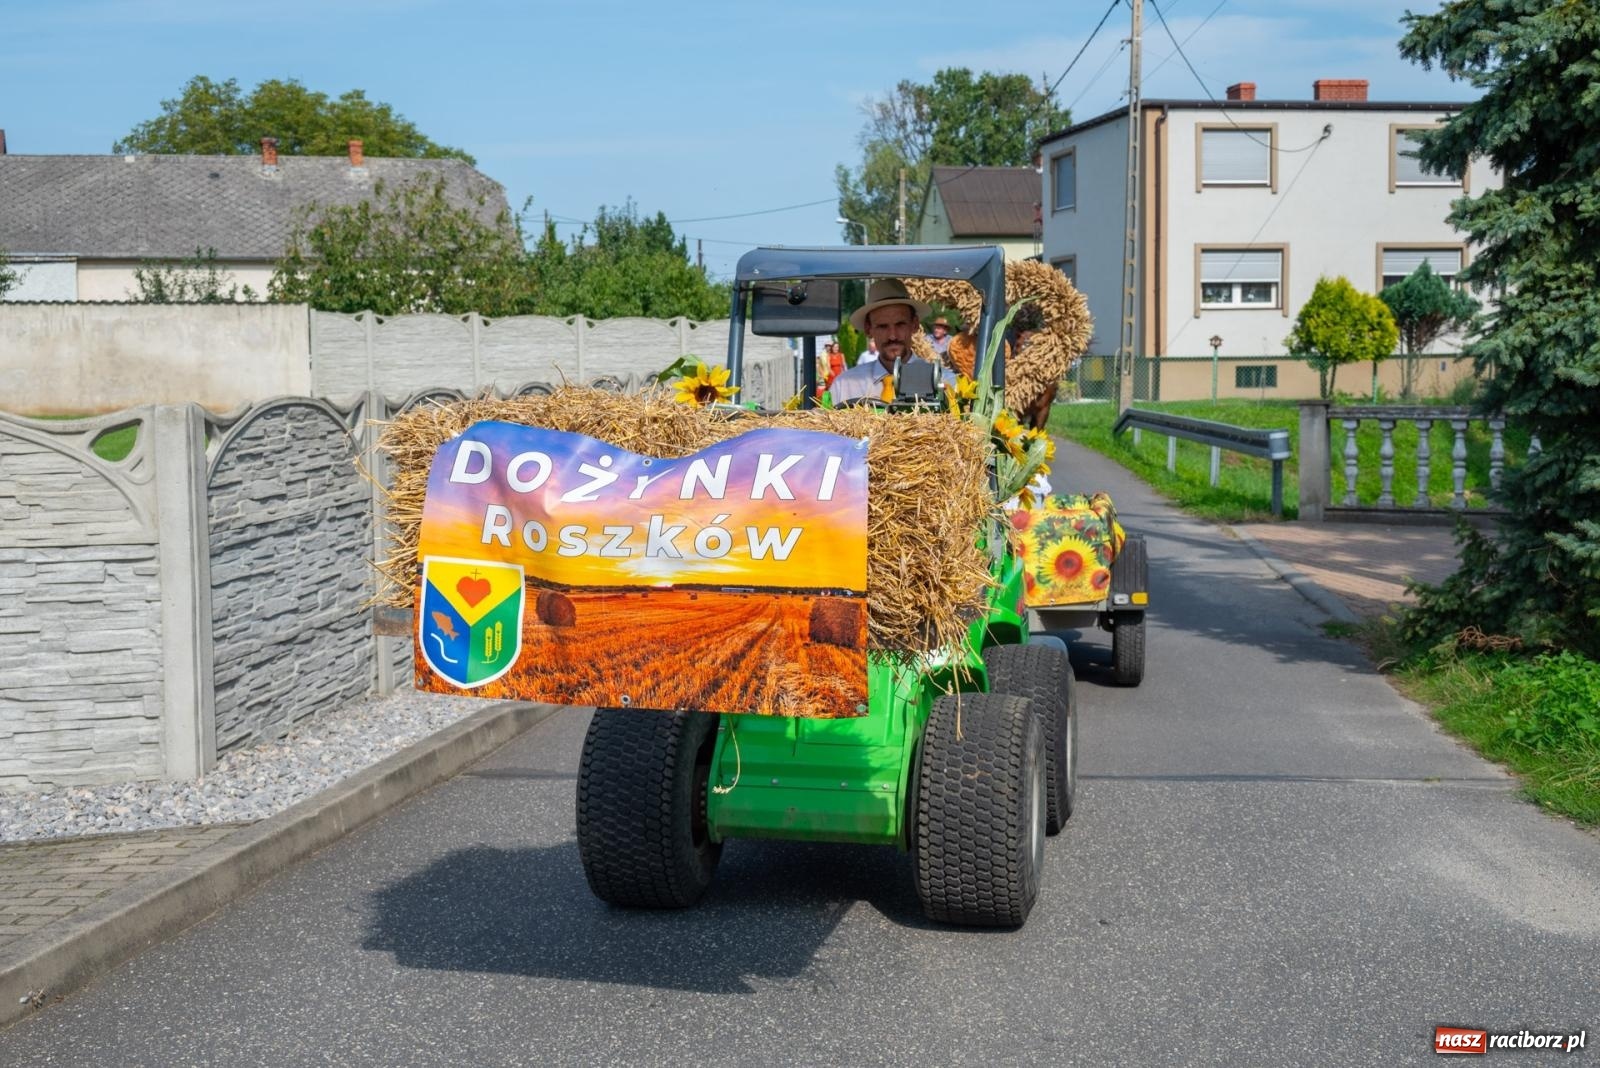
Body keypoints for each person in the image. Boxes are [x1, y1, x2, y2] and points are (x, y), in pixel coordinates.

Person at [830, 279, 955, 404]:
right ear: (868, 329)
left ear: (915, 324)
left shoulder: (945, 382)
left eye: (900, 324)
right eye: (882, 326)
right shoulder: (845, 386)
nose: (892, 336)